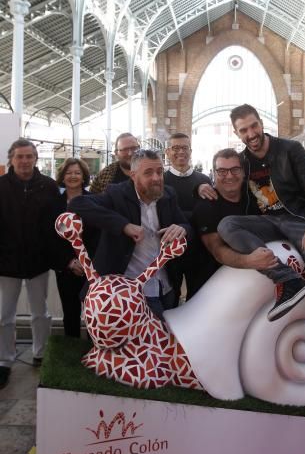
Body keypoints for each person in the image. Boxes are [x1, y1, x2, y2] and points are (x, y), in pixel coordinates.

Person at [217, 104, 305, 403]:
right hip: (268, 223)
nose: (251, 134)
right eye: (243, 130)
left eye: (253, 126)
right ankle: (287, 280)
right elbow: (226, 180)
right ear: (237, 133)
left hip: (300, 221)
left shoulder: (290, 149)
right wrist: (204, 189)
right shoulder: (243, 161)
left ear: (261, 123)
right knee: (227, 225)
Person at [69, 149, 191, 319]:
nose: (156, 178)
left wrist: (182, 228)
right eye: (148, 173)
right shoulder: (116, 194)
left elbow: (185, 223)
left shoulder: (168, 195)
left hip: (166, 287)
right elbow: (77, 203)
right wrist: (123, 225)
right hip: (129, 293)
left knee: (163, 341)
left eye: (159, 171)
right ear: (133, 175)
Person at [0, 139, 59, 389]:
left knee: (40, 312)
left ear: (36, 158)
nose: (24, 161)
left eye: (29, 156)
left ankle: (41, 353)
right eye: (20, 156)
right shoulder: (1, 186)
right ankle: (4, 360)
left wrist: (52, 255)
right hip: (6, 261)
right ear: (11, 159)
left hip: (38, 261)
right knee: (5, 315)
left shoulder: (49, 186)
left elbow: (56, 225)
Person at [191, 148, 277, 289]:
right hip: (216, 290)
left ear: (243, 172)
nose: (229, 176)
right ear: (214, 173)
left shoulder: (254, 197)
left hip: (257, 285)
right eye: (222, 171)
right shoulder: (205, 206)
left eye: (235, 169)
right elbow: (216, 249)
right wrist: (248, 261)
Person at [46, 158, 98, 337]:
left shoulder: (94, 201)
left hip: (91, 268)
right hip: (66, 268)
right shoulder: (53, 204)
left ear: (84, 176)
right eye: (69, 173)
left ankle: (96, 347)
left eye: (77, 172)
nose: (73, 176)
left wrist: (86, 262)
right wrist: (69, 262)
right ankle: (72, 350)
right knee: (70, 312)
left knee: (95, 312)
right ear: (62, 176)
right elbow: (50, 239)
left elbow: (98, 236)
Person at [164, 133, 211, 300]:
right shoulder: (161, 180)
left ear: (190, 151)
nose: (180, 152)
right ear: (167, 152)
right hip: (169, 253)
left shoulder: (204, 180)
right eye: (175, 148)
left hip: (198, 251)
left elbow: (209, 214)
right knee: (170, 298)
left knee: (197, 298)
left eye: (184, 148)